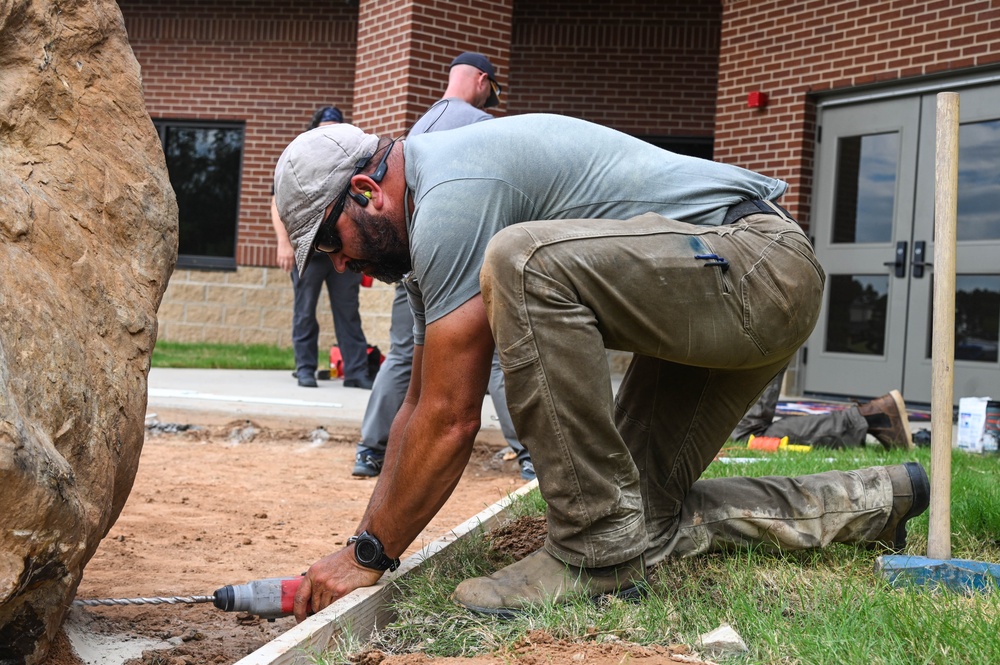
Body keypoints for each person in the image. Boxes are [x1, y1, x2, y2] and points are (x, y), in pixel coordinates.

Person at [272, 113, 930, 621]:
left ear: (365, 191)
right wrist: (364, 545)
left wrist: (367, 556)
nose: (336, 264)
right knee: (641, 521)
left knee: (522, 263)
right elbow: (419, 404)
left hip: (757, 265)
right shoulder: (429, 235)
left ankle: (590, 549)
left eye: (331, 241)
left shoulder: (452, 197)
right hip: (724, 290)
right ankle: (878, 499)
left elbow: (451, 418)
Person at [352, 53, 535, 480]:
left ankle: (369, 450)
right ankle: (529, 455)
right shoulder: (482, 124)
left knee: (403, 356)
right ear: (482, 81)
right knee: (491, 359)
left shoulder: (420, 127)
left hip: (411, 261)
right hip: (460, 262)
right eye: (491, 90)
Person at [270, 106, 373, 389]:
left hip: (345, 251)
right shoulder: (298, 159)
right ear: (314, 129)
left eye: (335, 126)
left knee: (348, 313)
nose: (329, 131)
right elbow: (278, 204)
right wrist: (284, 243)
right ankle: (305, 369)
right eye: (325, 126)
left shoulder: (353, 160)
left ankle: (357, 373)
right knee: (305, 312)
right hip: (310, 253)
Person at [730, 367, 915, 449]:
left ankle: (873, 417)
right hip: (757, 321)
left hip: (757, 322)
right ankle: (870, 416)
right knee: (745, 433)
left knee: (748, 435)